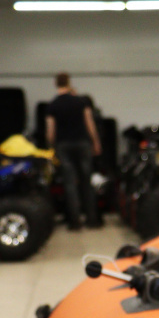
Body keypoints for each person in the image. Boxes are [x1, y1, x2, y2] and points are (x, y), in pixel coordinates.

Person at [46, 73, 102, 230]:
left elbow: (50, 132)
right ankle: (92, 219)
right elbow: (90, 124)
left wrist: (51, 147)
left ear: (56, 84)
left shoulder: (53, 105)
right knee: (86, 182)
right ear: (69, 82)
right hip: (82, 144)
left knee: (70, 184)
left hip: (63, 145)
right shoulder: (81, 102)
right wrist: (96, 142)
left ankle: (75, 222)